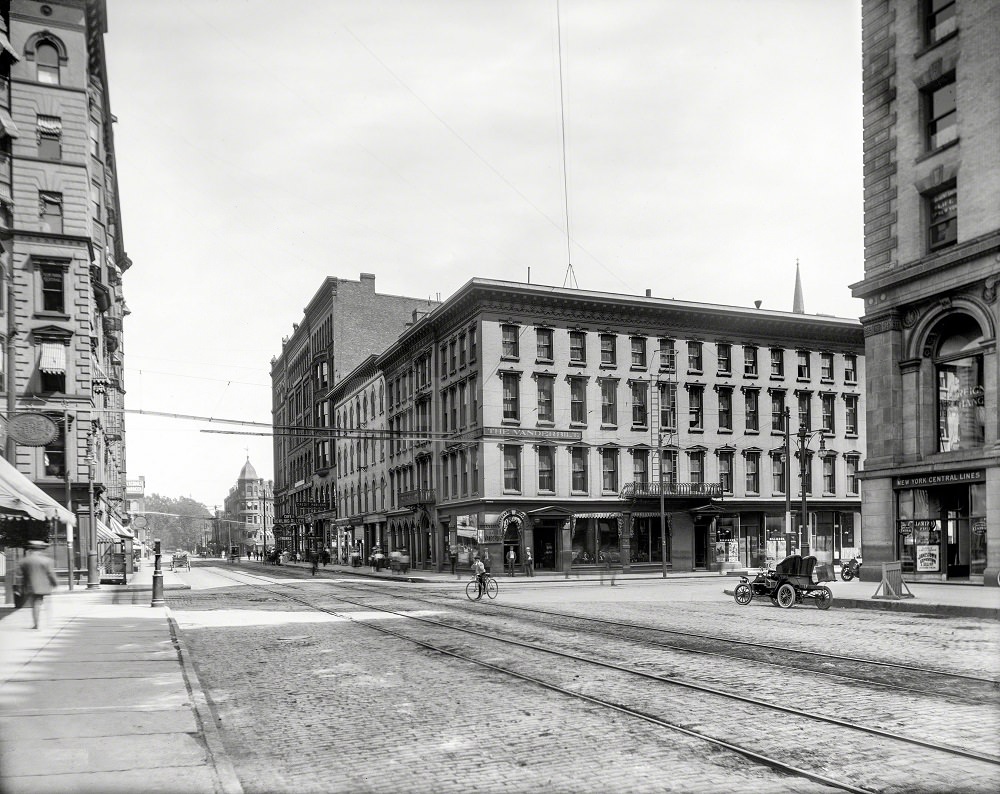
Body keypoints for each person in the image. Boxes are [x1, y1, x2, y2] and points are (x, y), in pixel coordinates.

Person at [17, 541, 59, 630]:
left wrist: (22, 587)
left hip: (31, 586)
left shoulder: (25, 561)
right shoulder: (47, 561)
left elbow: (22, 575)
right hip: (45, 586)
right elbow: (51, 574)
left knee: (35, 604)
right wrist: (55, 583)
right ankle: (49, 621)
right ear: (40, 549)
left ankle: (36, 624)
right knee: (46, 603)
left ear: (31, 549)